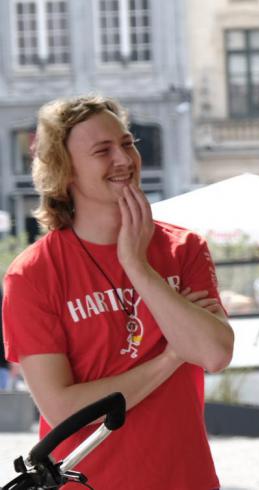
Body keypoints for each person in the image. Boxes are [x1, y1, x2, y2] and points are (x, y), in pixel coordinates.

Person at [2, 95, 234, 489]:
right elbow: (62, 408)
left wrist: (138, 267)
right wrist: (171, 356)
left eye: (127, 143)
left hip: (186, 478)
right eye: (102, 150)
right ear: (64, 170)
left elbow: (214, 354)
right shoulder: (33, 274)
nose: (124, 160)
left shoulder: (183, 248)